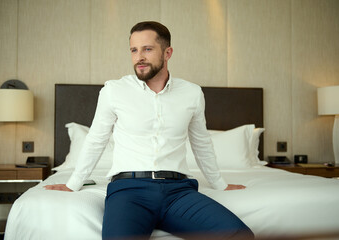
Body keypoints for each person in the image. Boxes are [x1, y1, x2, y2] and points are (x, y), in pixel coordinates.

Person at [45, 21, 254, 240]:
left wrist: (219, 183)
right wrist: (73, 184)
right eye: (134, 50)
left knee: (240, 234)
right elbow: (96, 139)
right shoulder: (113, 91)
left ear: (168, 52)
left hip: (179, 191)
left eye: (147, 49)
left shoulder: (192, 93)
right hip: (129, 191)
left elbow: (201, 142)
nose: (139, 57)